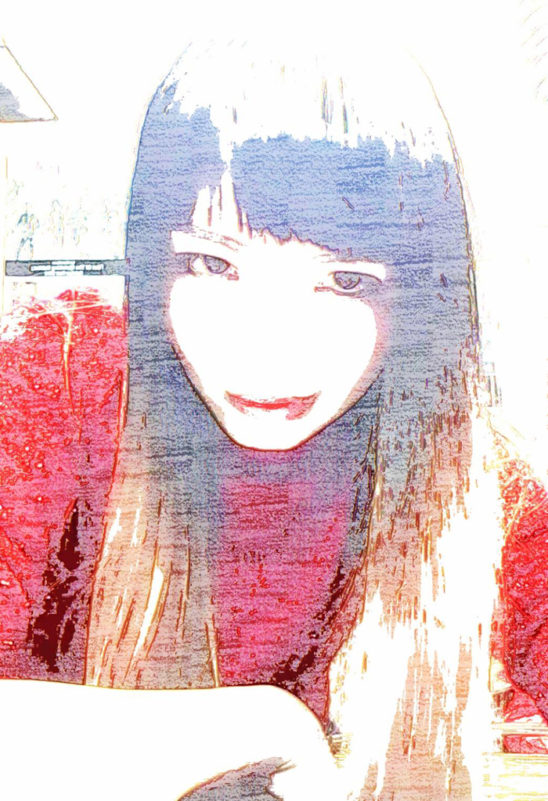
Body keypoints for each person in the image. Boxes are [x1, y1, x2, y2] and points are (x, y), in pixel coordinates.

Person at [2, 36, 505, 801]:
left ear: (418, 301)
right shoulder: (61, 371)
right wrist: (265, 725)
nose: (267, 343)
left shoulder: (480, 490)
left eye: (345, 280)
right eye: (213, 264)